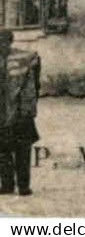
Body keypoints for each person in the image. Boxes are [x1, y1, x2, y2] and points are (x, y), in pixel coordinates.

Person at [0, 31, 40, 197]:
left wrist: (27, 111)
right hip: (1, 112)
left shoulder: (24, 60)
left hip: (20, 111)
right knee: (2, 150)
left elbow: (31, 87)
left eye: (4, 42)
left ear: (10, 42)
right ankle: (7, 185)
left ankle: (24, 186)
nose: (1, 45)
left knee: (22, 149)